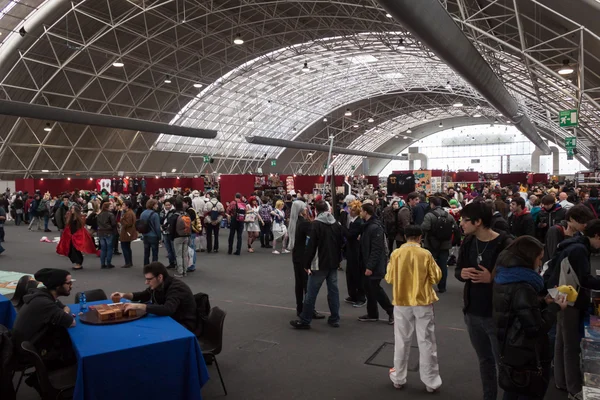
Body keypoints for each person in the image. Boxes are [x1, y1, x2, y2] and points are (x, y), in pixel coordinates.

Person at [493, 236, 567, 400]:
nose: (540, 263)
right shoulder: (523, 286)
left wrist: (542, 302)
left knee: (512, 389)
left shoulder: (505, 276)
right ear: (528, 258)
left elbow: (518, 310)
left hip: (511, 347)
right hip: (525, 352)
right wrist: (555, 307)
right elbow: (535, 328)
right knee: (527, 390)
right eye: (539, 258)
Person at [455, 201, 512, 400]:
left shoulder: (505, 243)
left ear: (478, 222)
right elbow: (458, 271)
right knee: (484, 360)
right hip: (472, 311)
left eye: (465, 220)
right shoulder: (469, 242)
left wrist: (493, 278)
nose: (461, 223)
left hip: (496, 314)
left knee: (503, 363)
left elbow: (518, 277)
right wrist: (462, 273)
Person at [545, 219, 600, 399]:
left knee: (562, 341)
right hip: (568, 298)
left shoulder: (574, 244)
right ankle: (573, 388)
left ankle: (562, 380)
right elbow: (584, 279)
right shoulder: (579, 249)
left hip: (559, 293)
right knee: (570, 344)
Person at [385, 225, 442, 392]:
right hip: (423, 301)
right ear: (420, 237)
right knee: (427, 341)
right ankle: (431, 382)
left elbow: (389, 277)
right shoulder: (425, 254)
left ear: (404, 236)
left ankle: (399, 378)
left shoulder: (396, 254)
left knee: (401, 340)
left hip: (401, 301)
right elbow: (436, 276)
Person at [290, 200, 343, 329]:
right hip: (333, 262)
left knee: (311, 292)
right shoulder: (336, 224)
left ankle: (305, 320)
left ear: (316, 211)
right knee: (333, 291)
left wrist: (306, 264)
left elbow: (311, 246)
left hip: (319, 263)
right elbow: (341, 242)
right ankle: (335, 318)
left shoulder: (315, 225)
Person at [12, 268, 76, 370]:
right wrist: (64, 314)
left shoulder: (44, 294)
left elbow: (64, 307)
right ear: (57, 285)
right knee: (71, 347)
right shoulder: (44, 303)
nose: (71, 286)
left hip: (26, 343)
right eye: (68, 283)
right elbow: (71, 322)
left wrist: (63, 312)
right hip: (28, 352)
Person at [111, 262, 197, 332]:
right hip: (171, 319)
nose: (146, 282)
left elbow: (168, 309)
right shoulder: (159, 284)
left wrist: (139, 306)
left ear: (160, 277)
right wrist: (123, 295)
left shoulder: (177, 288)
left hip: (184, 325)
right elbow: (143, 295)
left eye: (149, 279)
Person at [357, 202, 395, 325]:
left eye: (361, 211)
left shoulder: (374, 227)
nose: (360, 213)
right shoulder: (369, 226)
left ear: (366, 212)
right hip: (370, 263)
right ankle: (372, 313)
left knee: (375, 288)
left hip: (374, 265)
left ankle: (391, 311)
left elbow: (377, 249)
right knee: (369, 288)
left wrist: (370, 266)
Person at [289, 200, 324, 319]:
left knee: (299, 284)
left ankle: (300, 308)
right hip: (303, 257)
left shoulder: (295, 222)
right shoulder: (304, 223)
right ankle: (309, 309)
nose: (306, 209)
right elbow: (315, 236)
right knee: (307, 285)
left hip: (297, 256)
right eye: (305, 208)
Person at [421, 196, 457, 293]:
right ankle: (442, 286)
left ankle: (428, 285)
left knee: (428, 265)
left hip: (431, 244)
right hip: (445, 244)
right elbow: (455, 227)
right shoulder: (448, 215)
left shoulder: (429, 215)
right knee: (443, 265)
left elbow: (425, 228)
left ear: (432, 204)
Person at [56, 204, 97, 270]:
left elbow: (80, 228)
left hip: (76, 236)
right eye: (71, 208)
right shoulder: (71, 217)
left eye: (73, 209)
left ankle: (79, 263)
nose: (71, 210)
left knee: (75, 250)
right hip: (71, 236)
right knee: (71, 250)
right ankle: (78, 262)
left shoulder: (78, 219)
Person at [342, 200, 365, 307]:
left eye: (351, 209)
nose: (349, 211)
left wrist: (342, 227)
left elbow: (350, 235)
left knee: (356, 274)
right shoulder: (354, 222)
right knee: (350, 273)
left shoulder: (358, 223)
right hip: (351, 250)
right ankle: (353, 295)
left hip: (356, 251)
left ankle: (361, 297)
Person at [168, 199, 190, 278]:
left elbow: (171, 227)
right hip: (186, 235)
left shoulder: (175, 215)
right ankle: (185, 270)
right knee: (185, 254)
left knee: (178, 255)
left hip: (177, 236)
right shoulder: (186, 214)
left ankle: (180, 272)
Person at [140, 199, 161, 266]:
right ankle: (154, 268)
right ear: (153, 205)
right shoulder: (155, 215)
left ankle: (146, 267)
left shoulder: (143, 213)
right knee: (154, 254)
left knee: (146, 253)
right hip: (153, 236)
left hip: (145, 235)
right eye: (156, 204)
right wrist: (160, 237)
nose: (157, 206)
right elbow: (157, 227)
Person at [97, 201, 117, 269]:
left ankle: (102, 264)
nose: (112, 207)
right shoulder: (110, 214)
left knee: (103, 249)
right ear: (107, 207)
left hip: (100, 232)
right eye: (110, 206)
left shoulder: (99, 214)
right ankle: (108, 263)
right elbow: (113, 223)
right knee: (109, 248)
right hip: (108, 232)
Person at [183, 197, 200, 272]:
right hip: (192, 232)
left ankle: (192, 265)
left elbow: (189, 222)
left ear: (187, 203)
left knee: (191, 249)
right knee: (191, 249)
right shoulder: (190, 210)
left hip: (191, 232)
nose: (182, 204)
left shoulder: (190, 211)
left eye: (183, 203)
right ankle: (190, 265)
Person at [119, 200, 137, 268]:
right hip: (128, 231)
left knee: (125, 247)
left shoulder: (128, 213)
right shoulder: (129, 212)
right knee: (127, 247)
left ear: (127, 206)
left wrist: (122, 220)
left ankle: (128, 262)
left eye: (123, 205)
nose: (122, 206)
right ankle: (129, 262)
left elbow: (128, 223)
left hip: (127, 232)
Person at [160, 198, 177, 269]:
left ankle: (176, 263)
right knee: (168, 249)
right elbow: (160, 220)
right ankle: (171, 263)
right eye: (166, 205)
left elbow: (172, 222)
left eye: (169, 205)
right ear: (164, 205)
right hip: (164, 232)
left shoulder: (174, 212)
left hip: (171, 232)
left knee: (174, 248)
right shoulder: (161, 212)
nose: (168, 206)